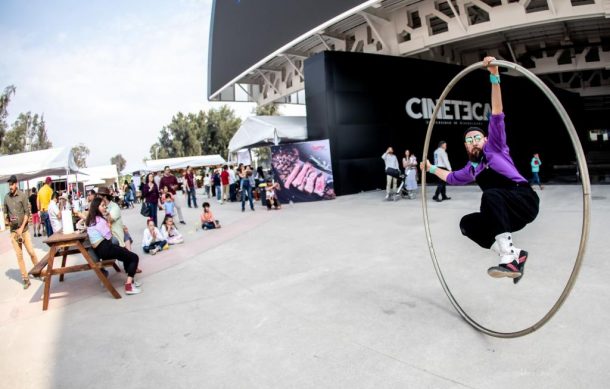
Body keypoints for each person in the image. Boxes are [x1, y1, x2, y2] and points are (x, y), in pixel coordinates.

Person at [422, 56, 539, 283]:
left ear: (485, 140)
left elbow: (497, 111)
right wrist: (431, 167)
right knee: (467, 223)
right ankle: (515, 254)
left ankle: (508, 257)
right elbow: (451, 177)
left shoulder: (495, 148)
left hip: (524, 200)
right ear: (465, 146)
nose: (474, 141)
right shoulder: (472, 169)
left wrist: (494, 75)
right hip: (506, 215)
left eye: (477, 138)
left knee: (491, 194)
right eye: (469, 140)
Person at [85, 197, 141, 295]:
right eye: (102, 206)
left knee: (126, 254)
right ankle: (128, 286)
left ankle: (130, 280)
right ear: (96, 207)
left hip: (100, 251)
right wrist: (108, 226)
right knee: (134, 257)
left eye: (104, 206)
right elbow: (109, 236)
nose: (104, 207)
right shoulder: (99, 220)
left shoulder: (91, 220)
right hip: (106, 249)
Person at [4, 175, 39, 289]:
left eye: (12, 184)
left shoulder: (23, 196)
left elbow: (27, 213)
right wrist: (7, 220)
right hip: (14, 232)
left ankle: (38, 270)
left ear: (16, 184)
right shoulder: (6, 198)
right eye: (9, 185)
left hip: (23, 230)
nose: (10, 187)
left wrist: (21, 228)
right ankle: (25, 279)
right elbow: (5, 213)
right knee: (19, 256)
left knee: (31, 252)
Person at [98, 187, 133, 251]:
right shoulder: (100, 206)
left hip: (115, 234)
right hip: (106, 234)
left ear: (104, 197)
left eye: (99, 196)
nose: (97, 198)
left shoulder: (114, 207)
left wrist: (106, 213)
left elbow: (110, 220)